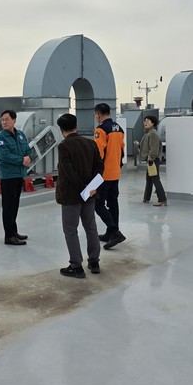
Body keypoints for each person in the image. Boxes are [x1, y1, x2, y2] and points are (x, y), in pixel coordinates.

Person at [55, 113, 104, 278]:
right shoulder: (91, 143)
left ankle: (76, 265)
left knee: (70, 230)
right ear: (76, 126)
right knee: (91, 227)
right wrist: (91, 187)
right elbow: (99, 167)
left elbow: (68, 172)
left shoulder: (64, 146)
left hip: (71, 196)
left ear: (61, 129)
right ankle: (94, 261)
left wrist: (82, 188)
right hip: (89, 194)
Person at [0, 110, 33, 245]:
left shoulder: (20, 135)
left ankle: (13, 231)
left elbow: (28, 150)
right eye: (2, 120)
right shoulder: (0, 137)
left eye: (7, 119)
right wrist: (21, 160)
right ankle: (9, 236)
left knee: (15, 205)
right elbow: (4, 156)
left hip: (19, 174)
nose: (4, 122)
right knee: (8, 206)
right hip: (8, 176)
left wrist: (28, 157)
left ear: (14, 120)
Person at [93, 103, 126, 249]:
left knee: (98, 205)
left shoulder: (101, 130)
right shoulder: (119, 129)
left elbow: (98, 154)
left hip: (103, 175)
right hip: (115, 173)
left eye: (95, 115)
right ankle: (110, 233)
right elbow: (122, 150)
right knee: (113, 203)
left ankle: (114, 231)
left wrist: (93, 173)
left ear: (98, 114)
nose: (96, 117)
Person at [138, 115, 168, 205]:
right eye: (145, 121)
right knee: (149, 179)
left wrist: (151, 157)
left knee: (155, 179)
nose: (145, 122)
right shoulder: (149, 133)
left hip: (153, 159)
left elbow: (154, 147)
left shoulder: (153, 133)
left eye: (148, 121)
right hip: (151, 160)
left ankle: (162, 199)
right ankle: (146, 198)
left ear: (153, 123)